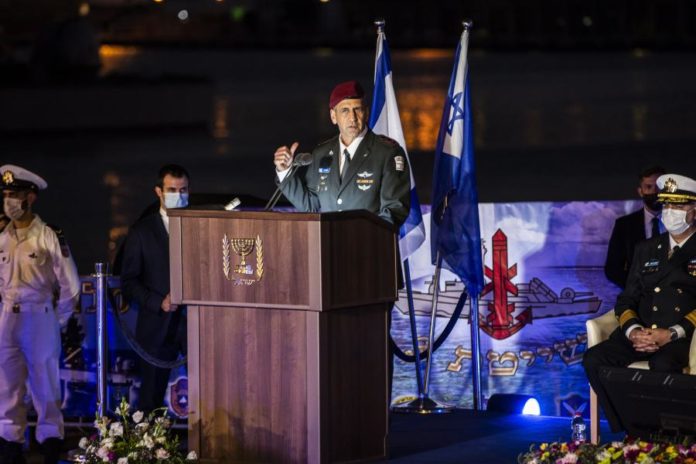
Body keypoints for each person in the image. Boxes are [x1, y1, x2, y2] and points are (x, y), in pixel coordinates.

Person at [583, 173, 696, 433]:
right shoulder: (646, 248)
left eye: (678, 205)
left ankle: (673, 436)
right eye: (666, 205)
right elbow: (627, 299)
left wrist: (671, 333)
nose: (670, 212)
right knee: (594, 359)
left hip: (681, 337)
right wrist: (634, 331)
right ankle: (629, 428)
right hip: (642, 333)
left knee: (663, 366)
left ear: (694, 210)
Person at [0, 164, 80, 464]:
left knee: (45, 388)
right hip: (8, 317)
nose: (9, 201)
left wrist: (56, 320)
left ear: (30, 197)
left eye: (14, 195)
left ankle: (49, 447)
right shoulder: (2, 236)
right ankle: (10, 446)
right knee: (6, 388)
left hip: (40, 317)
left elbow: (70, 286)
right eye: (5, 195)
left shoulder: (48, 235)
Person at [273, 80, 410, 227]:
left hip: (368, 241)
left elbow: (394, 210)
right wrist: (284, 171)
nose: (352, 117)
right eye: (345, 110)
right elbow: (311, 206)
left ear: (366, 113)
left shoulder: (387, 153)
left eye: (357, 109)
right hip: (329, 240)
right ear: (333, 116)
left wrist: (358, 236)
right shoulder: (321, 154)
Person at [120, 164, 189, 413]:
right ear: (159, 191)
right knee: (151, 397)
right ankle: (150, 438)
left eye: (183, 190)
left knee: (208, 390)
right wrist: (158, 301)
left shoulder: (199, 227)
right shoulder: (142, 232)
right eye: (172, 190)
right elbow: (128, 282)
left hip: (195, 324)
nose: (178, 195)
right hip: (157, 324)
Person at [604, 165, 667, 288]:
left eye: (659, 187)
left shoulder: (683, 222)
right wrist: (635, 289)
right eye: (648, 187)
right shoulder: (624, 225)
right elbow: (613, 269)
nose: (654, 191)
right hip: (638, 296)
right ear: (640, 191)